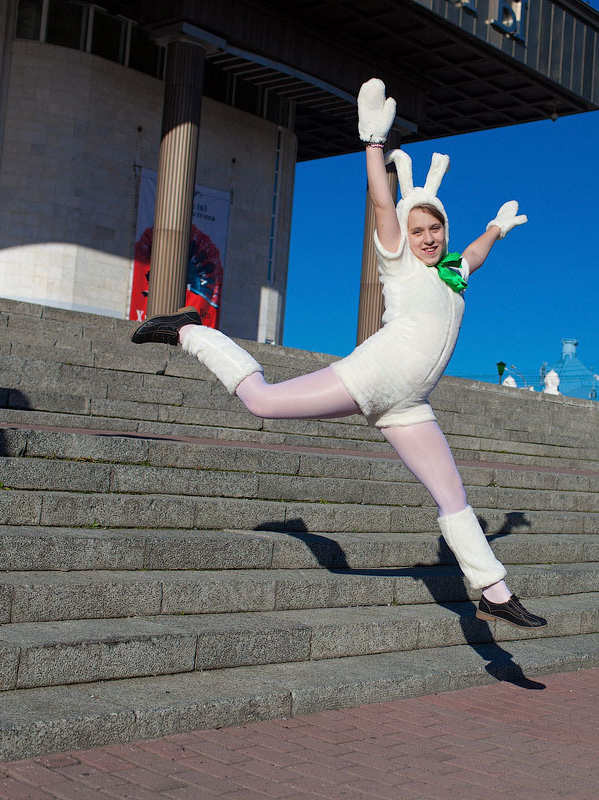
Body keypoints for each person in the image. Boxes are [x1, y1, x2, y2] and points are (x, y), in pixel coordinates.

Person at [132, 79, 545, 629]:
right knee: (261, 403)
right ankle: (189, 331)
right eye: (417, 227)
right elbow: (381, 202)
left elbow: (473, 253)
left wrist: (494, 228)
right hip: (372, 376)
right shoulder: (397, 257)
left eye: (434, 228)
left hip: (410, 405)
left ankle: (494, 591)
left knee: (453, 494)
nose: (426, 237)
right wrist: (374, 144)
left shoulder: (453, 276)